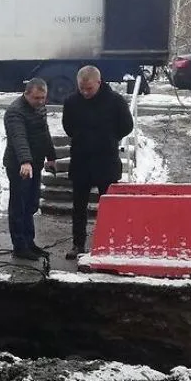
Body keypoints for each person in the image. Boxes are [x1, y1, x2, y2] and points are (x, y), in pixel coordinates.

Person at [61, 66, 134, 260]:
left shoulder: (115, 101)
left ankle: (111, 242)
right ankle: (78, 244)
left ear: (99, 83)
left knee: (109, 206)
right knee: (79, 207)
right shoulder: (71, 102)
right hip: (81, 160)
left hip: (106, 160)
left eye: (89, 89)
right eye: (82, 88)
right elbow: (68, 127)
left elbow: (127, 126)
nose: (85, 92)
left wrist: (109, 138)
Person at [3, 78, 57, 260]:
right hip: (19, 166)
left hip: (34, 164)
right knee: (19, 206)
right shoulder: (15, 112)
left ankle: (29, 242)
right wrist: (25, 161)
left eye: (43, 98)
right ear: (26, 94)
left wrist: (51, 156)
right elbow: (19, 138)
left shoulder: (39, 108)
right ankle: (19, 246)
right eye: (36, 98)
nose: (40, 101)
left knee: (31, 203)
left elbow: (44, 132)